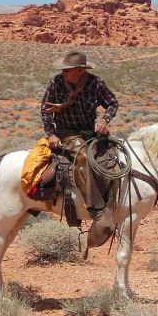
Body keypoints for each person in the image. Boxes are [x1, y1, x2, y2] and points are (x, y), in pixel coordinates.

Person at [41, 50, 119, 250]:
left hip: (90, 132)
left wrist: (104, 119)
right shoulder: (56, 83)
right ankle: (97, 210)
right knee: (83, 158)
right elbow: (45, 110)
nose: (64, 73)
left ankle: (116, 203)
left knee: (113, 156)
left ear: (79, 71)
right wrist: (51, 134)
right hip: (68, 134)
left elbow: (112, 103)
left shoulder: (95, 83)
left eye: (67, 70)